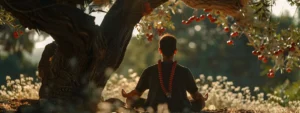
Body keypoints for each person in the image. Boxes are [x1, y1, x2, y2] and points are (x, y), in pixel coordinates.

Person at [122, 34, 208, 112]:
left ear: (160, 50)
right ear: (175, 51)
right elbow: (196, 95)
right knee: (201, 103)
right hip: (181, 109)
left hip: (153, 108)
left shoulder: (149, 71)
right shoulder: (185, 71)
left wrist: (128, 94)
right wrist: (202, 98)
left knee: (130, 100)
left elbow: (137, 93)